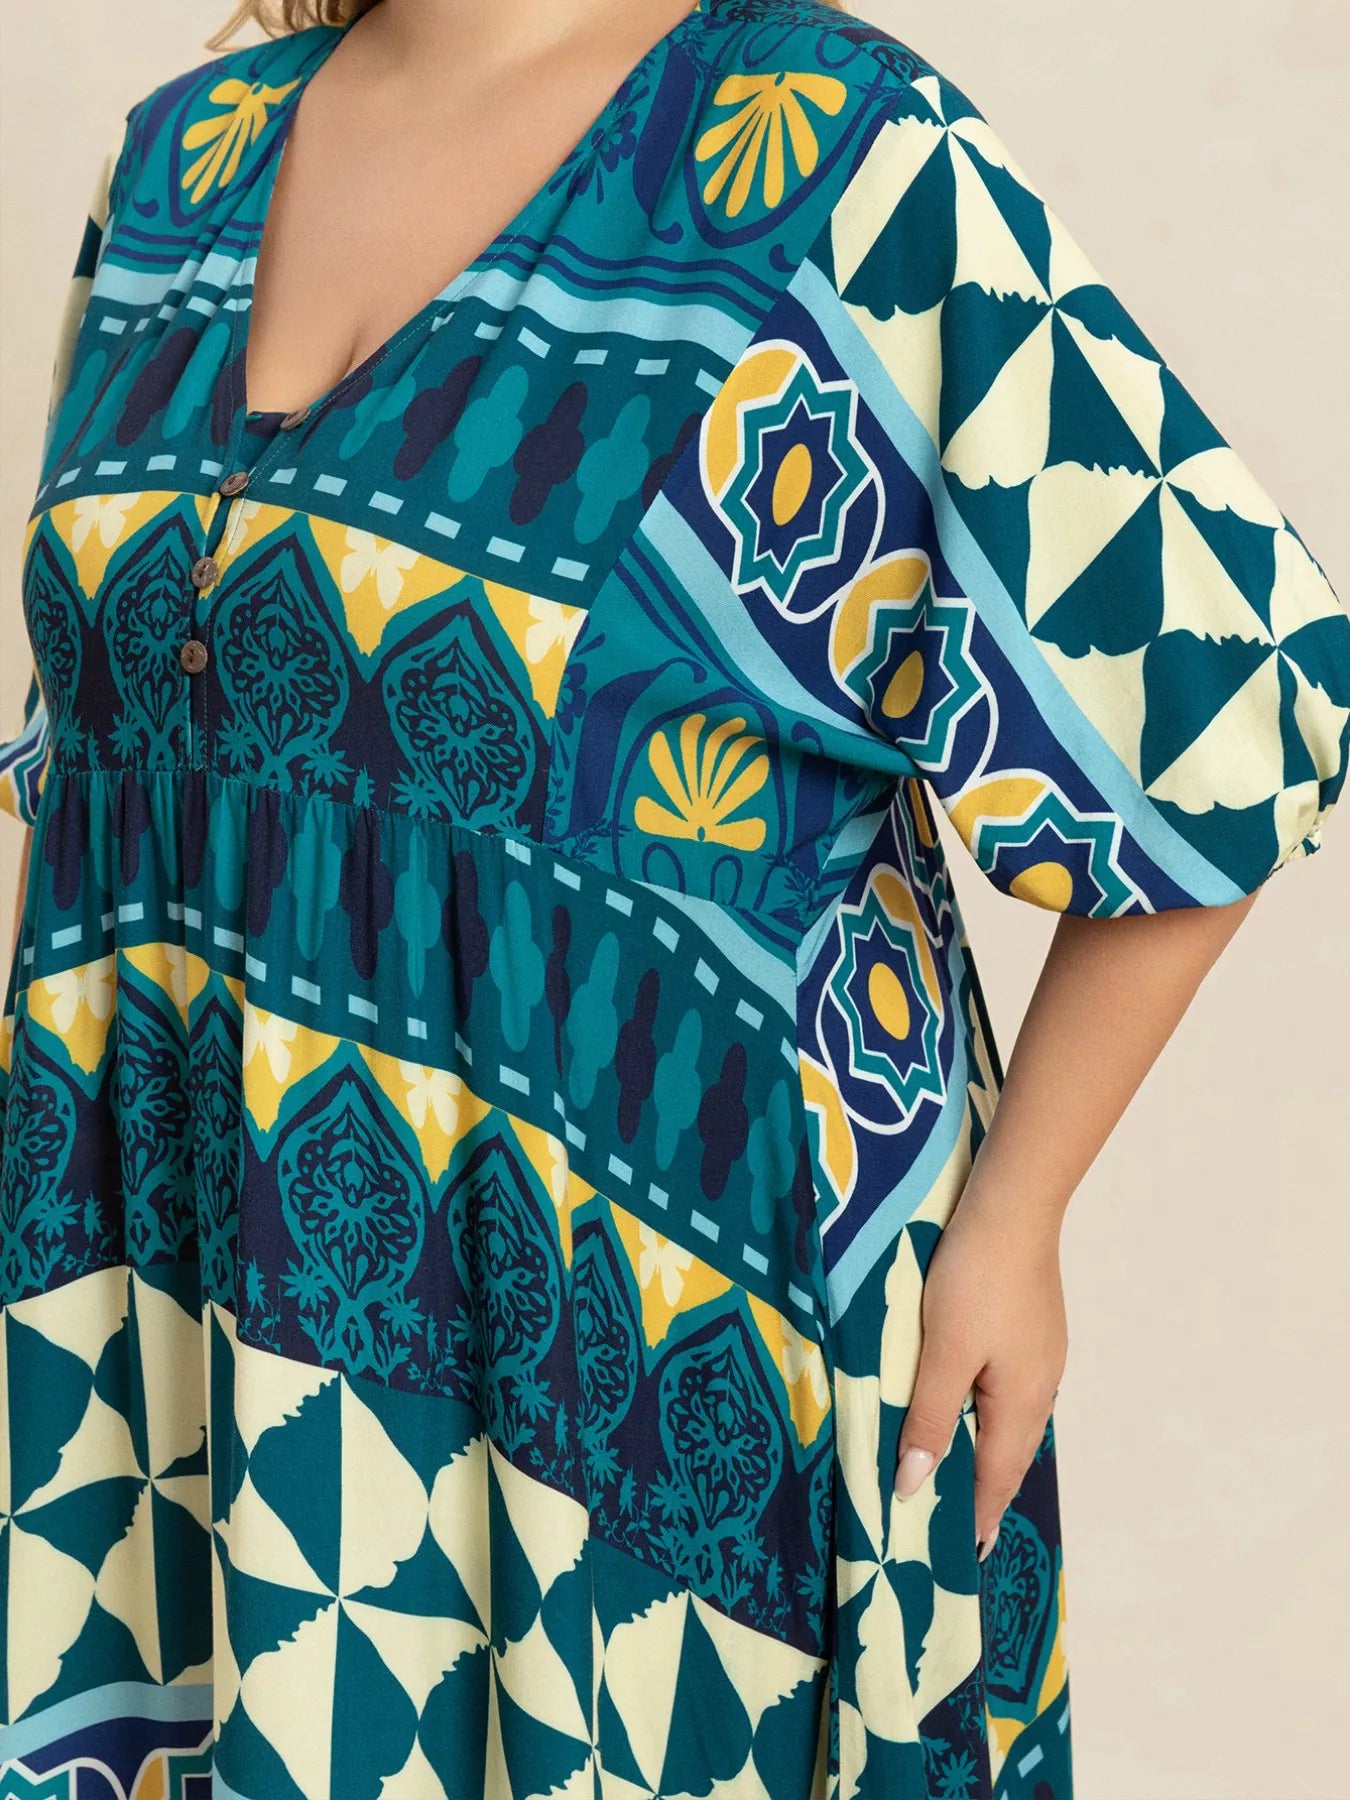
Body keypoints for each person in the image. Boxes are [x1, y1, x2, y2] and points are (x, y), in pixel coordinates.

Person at [0, 0, 1346, 1795]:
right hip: (170, 1324)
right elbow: (103, 784)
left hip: (657, 1366)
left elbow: (1221, 690)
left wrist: (1013, 1223)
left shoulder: (823, 155)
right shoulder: (178, 162)